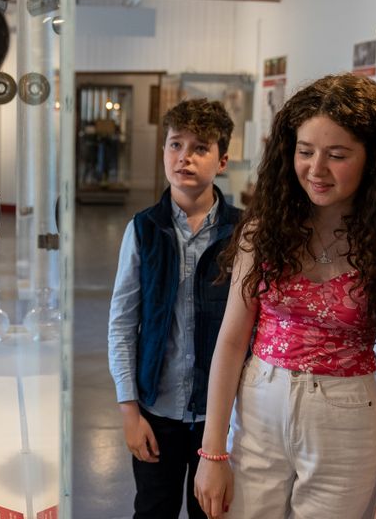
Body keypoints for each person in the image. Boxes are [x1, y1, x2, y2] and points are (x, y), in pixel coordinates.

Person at [193, 73, 376, 519]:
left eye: (338, 155)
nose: (316, 169)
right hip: (259, 406)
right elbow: (230, 342)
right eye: (304, 152)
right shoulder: (264, 230)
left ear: (373, 160)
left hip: (347, 418)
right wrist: (212, 452)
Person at [108, 98, 242, 518]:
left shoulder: (243, 233)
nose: (183, 157)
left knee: (213, 512)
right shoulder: (143, 229)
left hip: (219, 416)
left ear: (222, 159)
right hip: (157, 410)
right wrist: (130, 410)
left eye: (199, 147)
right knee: (152, 510)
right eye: (174, 144)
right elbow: (122, 324)